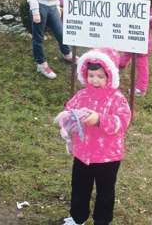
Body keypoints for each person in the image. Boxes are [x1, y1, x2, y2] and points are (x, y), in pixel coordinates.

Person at [54, 47, 132, 225]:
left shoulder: (117, 98)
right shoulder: (81, 95)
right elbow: (69, 110)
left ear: (110, 75)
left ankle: (102, 220)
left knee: (105, 191)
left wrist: (99, 119)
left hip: (108, 157)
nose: (95, 80)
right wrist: (66, 121)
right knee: (80, 188)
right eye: (91, 75)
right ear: (85, 74)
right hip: (83, 153)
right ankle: (77, 217)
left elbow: (122, 122)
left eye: (100, 76)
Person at [119, 0, 152, 96]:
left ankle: (141, 88)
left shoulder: (150, 14)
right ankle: (123, 63)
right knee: (127, 50)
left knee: (141, 66)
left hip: (142, 44)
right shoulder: (145, 12)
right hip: (131, 38)